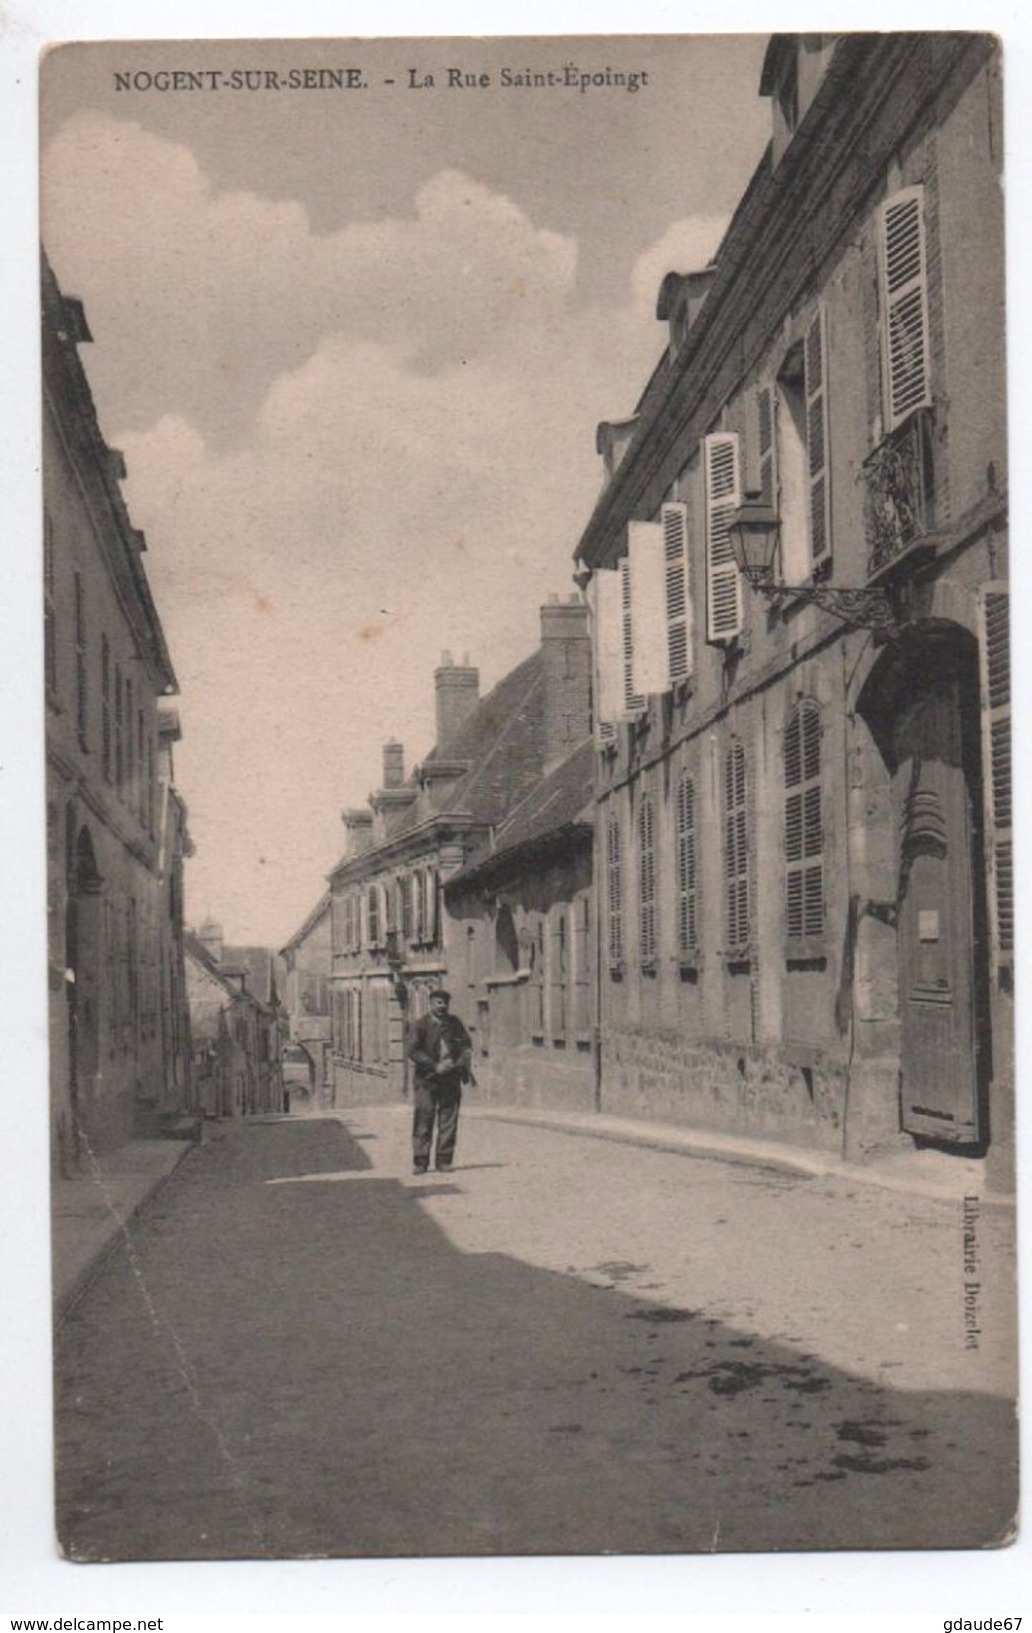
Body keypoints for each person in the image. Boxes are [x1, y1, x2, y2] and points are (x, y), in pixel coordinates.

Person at [406, 988, 472, 1175]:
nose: (442, 1006)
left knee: (448, 1120)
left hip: (450, 1079)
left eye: (445, 1003)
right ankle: (420, 1161)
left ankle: (444, 1160)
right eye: (438, 1003)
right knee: (424, 1119)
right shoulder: (420, 1025)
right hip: (427, 1080)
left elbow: (466, 1045)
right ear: (431, 1003)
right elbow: (412, 1050)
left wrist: (458, 1064)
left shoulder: (454, 1023)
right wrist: (433, 1066)